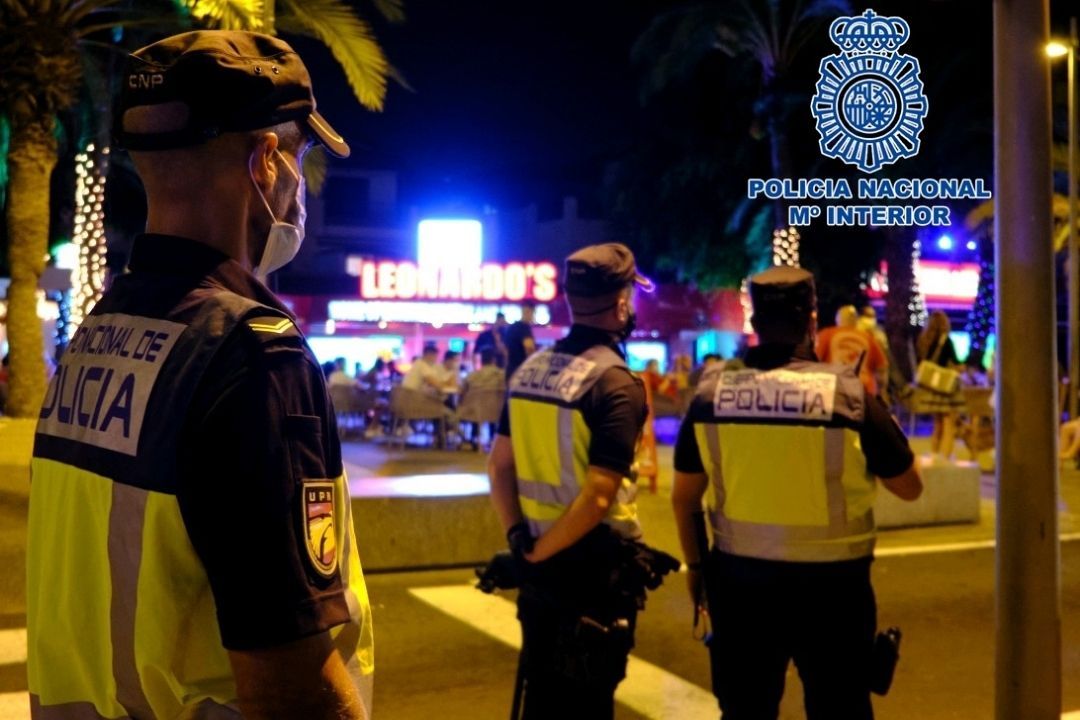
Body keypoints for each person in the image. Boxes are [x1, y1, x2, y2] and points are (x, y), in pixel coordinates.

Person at [26, 31, 373, 719]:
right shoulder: (250, 357)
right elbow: (291, 685)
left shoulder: (95, 336)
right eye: (301, 157)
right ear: (266, 161)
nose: (300, 185)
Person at [672, 266, 922, 720]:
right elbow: (909, 487)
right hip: (833, 594)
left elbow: (683, 497)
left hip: (740, 587)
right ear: (812, 318)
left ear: (754, 322)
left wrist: (696, 568)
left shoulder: (710, 396)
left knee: (746, 710)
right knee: (839, 708)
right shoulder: (846, 395)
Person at [488, 242, 678, 720]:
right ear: (620, 304)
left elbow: (499, 464)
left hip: (536, 565)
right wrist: (537, 555)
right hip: (593, 578)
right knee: (588, 707)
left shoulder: (529, 371)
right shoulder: (617, 383)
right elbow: (597, 495)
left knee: (542, 699)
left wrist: (521, 543)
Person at [915, 310, 965, 461]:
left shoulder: (924, 340)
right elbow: (956, 363)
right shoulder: (946, 341)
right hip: (944, 389)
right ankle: (945, 457)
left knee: (937, 424)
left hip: (931, 389)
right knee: (949, 424)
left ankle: (935, 454)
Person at [504, 300, 537, 378]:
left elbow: (505, 351)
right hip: (521, 373)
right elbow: (529, 349)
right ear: (529, 311)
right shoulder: (524, 328)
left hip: (510, 370)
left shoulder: (511, 328)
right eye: (533, 313)